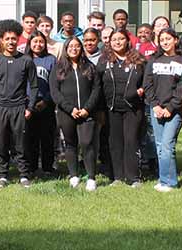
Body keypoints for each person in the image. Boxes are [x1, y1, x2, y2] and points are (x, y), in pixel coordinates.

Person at [0, 20, 38, 188]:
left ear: (18, 40)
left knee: (21, 144)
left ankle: (24, 175)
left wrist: (30, 107)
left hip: (19, 109)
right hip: (0, 108)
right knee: (0, 144)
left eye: (14, 39)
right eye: (7, 38)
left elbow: (34, 86)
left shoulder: (26, 61)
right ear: (2, 40)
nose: (11, 42)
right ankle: (2, 175)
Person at [51, 36, 101, 191]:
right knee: (70, 144)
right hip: (67, 113)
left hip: (87, 113)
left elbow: (96, 89)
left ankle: (91, 177)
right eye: (70, 46)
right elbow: (55, 92)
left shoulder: (90, 67)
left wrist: (87, 108)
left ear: (81, 49)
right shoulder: (58, 67)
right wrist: (69, 108)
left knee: (87, 143)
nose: (74, 48)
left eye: (77, 46)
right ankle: (73, 175)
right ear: (66, 49)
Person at [99, 28, 146, 187]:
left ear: (127, 40)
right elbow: (97, 84)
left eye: (120, 39)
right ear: (109, 43)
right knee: (115, 142)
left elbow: (147, 81)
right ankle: (117, 177)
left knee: (131, 140)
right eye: (114, 40)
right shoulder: (104, 60)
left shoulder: (138, 60)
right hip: (111, 108)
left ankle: (133, 177)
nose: (117, 42)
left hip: (133, 108)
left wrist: (142, 90)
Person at [144, 29, 182, 192]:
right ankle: (163, 180)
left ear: (175, 40)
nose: (165, 42)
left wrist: (170, 107)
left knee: (168, 145)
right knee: (160, 145)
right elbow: (147, 84)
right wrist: (155, 105)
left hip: (173, 111)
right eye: (162, 39)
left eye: (168, 38)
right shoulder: (154, 60)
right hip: (156, 109)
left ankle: (170, 182)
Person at [26, 32, 58, 176]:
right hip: (28, 104)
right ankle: (31, 167)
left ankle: (47, 168)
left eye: (41, 42)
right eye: (35, 41)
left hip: (46, 104)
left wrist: (46, 101)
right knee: (30, 138)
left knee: (47, 138)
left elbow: (54, 84)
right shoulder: (24, 59)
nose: (38, 44)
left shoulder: (51, 60)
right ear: (30, 43)